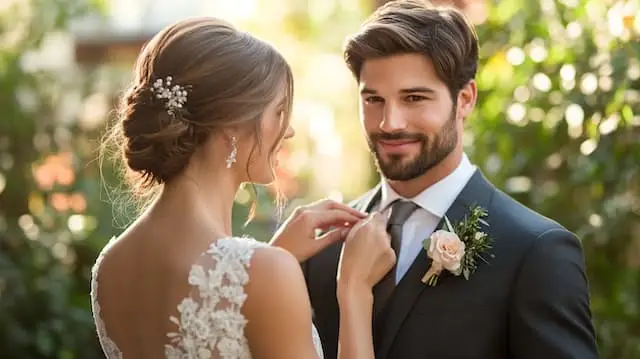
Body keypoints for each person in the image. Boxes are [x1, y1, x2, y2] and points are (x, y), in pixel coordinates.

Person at [302, 1, 599, 358]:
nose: (389, 123)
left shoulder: (536, 252)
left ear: (465, 100)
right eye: (373, 100)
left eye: (414, 98)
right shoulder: (322, 249)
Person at [92, 17, 390, 359]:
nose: (288, 131)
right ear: (232, 125)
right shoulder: (267, 273)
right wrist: (355, 290)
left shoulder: (109, 267)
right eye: (279, 112)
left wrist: (274, 258)